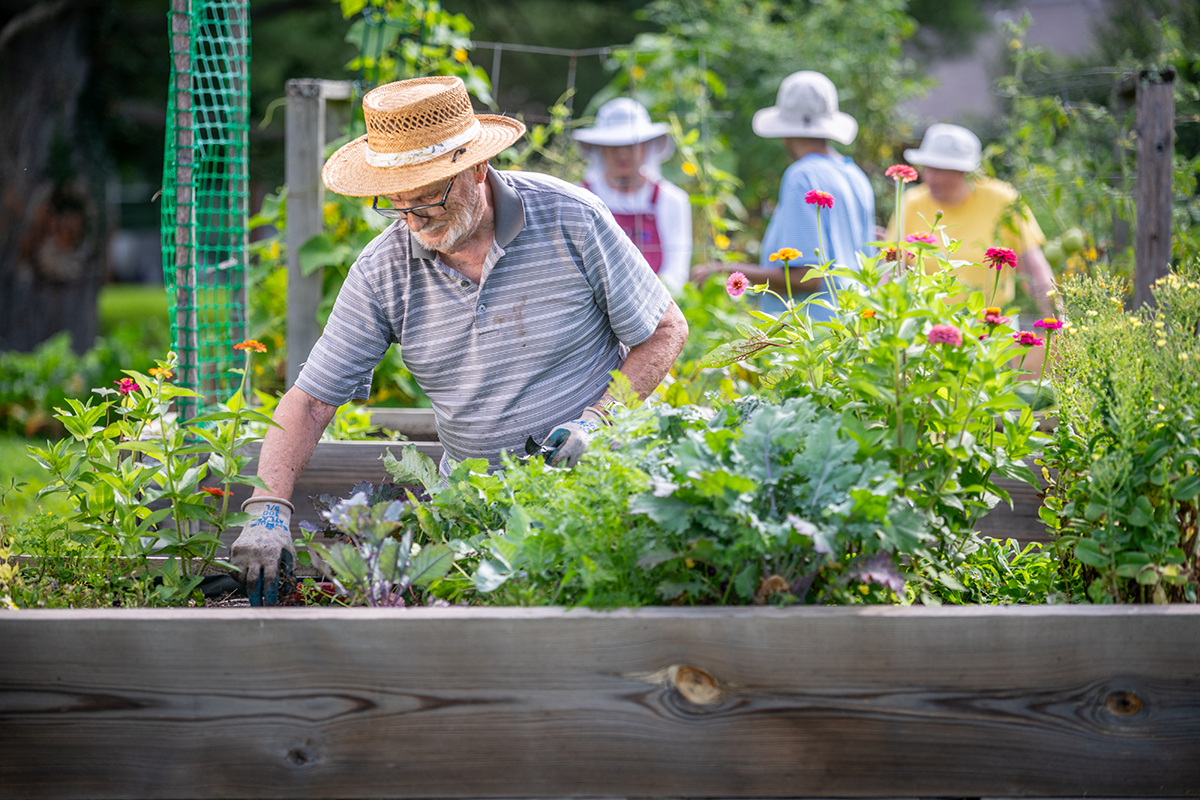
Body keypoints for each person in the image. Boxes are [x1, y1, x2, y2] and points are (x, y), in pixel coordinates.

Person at [229, 76, 688, 603]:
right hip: (472, 517)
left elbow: (666, 330)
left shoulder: (570, 219)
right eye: (395, 202)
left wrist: (598, 421)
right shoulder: (385, 269)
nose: (413, 219)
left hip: (592, 495)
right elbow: (310, 402)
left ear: (475, 168)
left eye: (427, 198)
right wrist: (268, 511)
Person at [691, 71, 875, 320]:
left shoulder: (802, 176)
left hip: (812, 336)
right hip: (852, 329)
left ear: (786, 131)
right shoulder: (855, 175)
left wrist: (726, 269)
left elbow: (807, 279)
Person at [885, 123, 1054, 316]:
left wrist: (1057, 322)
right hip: (928, 325)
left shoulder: (1002, 200)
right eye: (927, 168)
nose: (930, 178)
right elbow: (891, 267)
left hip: (991, 324)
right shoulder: (912, 202)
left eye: (940, 170)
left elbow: (1033, 268)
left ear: (965, 172)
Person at [572, 97, 692, 294]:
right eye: (613, 146)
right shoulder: (580, 197)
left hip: (658, 309)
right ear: (601, 148)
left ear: (646, 147)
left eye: (631, 145)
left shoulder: (671, 200)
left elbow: (676, 272)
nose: (623, 154)